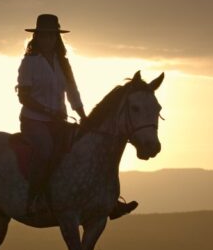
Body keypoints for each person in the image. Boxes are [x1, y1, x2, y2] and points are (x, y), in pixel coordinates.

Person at [16, 14, 138, 220]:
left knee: (86, 149)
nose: (48, 39)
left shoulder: (63, 63)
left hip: (58, 121)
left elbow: (72, 91)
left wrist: (83, 115)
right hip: (34, 121)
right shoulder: (29, 63)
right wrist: (47, 111)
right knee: (45, 150)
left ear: (57, 38)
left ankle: (107, 200)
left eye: (52, 36)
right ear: (37, 37)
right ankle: (35, 198)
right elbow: (24, 96)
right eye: (44, 36)